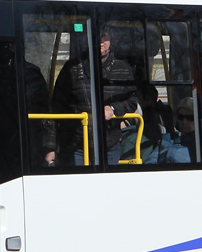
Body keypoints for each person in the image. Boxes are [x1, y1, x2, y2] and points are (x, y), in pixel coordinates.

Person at [48, 26, 138, 165]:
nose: (100, 41)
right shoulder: (72, 68)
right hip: (76, 143)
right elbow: (56, 108)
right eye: (96, 36)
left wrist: (113, 109)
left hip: (109, 144)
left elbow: (132, 101)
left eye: (104, 37)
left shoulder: (123, 69)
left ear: (111, 39)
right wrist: (50, 147)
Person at [158, 98, 202, 163]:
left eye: (190, 118)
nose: (184, 122)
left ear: (198, 119)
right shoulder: (166, 139)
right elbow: (151, 162)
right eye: (181, 117)